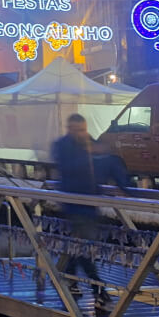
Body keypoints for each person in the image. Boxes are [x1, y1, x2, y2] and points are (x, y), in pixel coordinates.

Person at [51, 113, 129, 306]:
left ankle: (69, 277)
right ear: (69, 129)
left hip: (90, 204)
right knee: (86, 247)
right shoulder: (62, 146)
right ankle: (98, 290)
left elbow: (109, 162)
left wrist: (123, 186)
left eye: (83, 129)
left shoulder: (87, 143)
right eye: (77, 130)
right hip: (74, 203)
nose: (81, 133)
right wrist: (91, 153)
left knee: (82, 246)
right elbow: (69, 169)